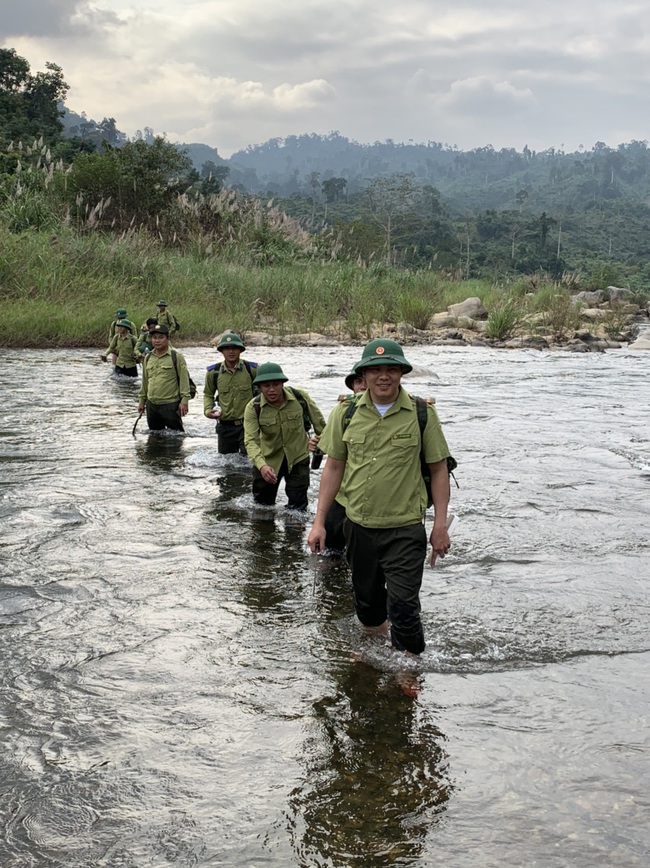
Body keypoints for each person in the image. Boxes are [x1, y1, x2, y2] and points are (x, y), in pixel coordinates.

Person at [307, 338, 454, 655]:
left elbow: (439, 470)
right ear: (364, 374)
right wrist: (319, 523)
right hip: (358, 527)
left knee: (403, 605)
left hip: (405, 528)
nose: (383, 376)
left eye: (391, 369)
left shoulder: (421, 414)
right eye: (375, 370)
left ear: (402, 373)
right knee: (369, 607)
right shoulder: (345, 413)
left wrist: (439, 525)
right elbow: (333, 468)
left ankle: (409, 670)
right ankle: (376, 651)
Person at [243, 362, 326, 510]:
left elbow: (322, 428)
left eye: (276, 384)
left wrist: (318, 442)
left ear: (283, 383)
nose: (272, 390)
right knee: (262, 509)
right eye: (266, 386)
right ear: (259, 387)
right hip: (267, 460)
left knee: (298, 511)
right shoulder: (253, 407)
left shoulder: (300, 398)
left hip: (298, 459)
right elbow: (250, 441)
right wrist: (262, 466)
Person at [322, 362, 366, 555]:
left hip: (374, 501)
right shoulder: (343, 413)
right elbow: (331, 459)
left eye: (366, 381)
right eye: (358, 382)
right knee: (330, 551)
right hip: (341, 494)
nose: (363, 386)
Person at [203, 332, 258, 454]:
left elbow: (261, 394)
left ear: (240, 350)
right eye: (227, 348)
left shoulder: (252, 370)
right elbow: (208, 394)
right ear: (221, 351)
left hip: (248, 425)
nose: (231, 352)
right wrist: (208, 411)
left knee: (247, 464)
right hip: (225, 427)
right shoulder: (214, 373)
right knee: (226, 465)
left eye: (234, 348)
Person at [137, 324, 191, 432]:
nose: (157, 341)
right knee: (154, 437)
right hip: (151, 405)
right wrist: (142, 401)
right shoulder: (148, 358)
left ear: (168, 338)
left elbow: (184, 380)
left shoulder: (176, 357)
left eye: (161, 337)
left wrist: (184, 401)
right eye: (154, 338)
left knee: (176, 438)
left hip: (170, 405)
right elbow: (145, 381)